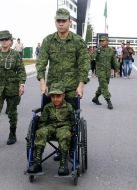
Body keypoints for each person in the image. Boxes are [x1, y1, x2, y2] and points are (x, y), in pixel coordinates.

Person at [36, 8, 90, 161]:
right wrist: (42, 81)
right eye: (58, 21)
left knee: (71, 121)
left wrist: (81, 84)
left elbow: (84, 64)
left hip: (71, 89)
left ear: (69, 22)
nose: (60, 24)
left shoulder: (78, 41)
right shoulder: (48, 40)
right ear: (55, 22)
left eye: (63, 21)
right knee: (46, 119)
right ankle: (40, 151)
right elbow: (41, 62)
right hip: (52, 88)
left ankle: (68, 151)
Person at [0, 30, 26, 150]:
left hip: (12, 88)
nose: (4, 42)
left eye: (6, 39)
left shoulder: (15, 55)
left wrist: (21, 84)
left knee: (12, 113)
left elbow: (21, 70)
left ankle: (12, 134)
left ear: (10, 41)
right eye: (1, 40)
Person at [27, 82, 75, 176]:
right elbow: (43, 123)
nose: (55, 99)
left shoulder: (69, 107)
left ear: (63, 96)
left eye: (58, 96)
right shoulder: (47, 107)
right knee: (41, 132)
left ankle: (63, 164)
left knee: (64, 135)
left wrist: (72, 131)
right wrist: (43, 131)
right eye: (53, 96)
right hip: (50, 127)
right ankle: (37, 163)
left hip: (64, 127)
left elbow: (73, 123)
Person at [91, 36, 119, 109]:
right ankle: (108, 101)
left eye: (103, 41)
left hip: (108, 71)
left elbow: (114, 60)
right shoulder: (98, 50)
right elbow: (92, 58)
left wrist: (117, 69)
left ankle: (95, 98)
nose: (101, 42)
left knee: (103, 85)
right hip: (100, 71)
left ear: (107, 41)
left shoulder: (111, 50)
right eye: (100, 41)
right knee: (104, 85)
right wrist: (94, 52)